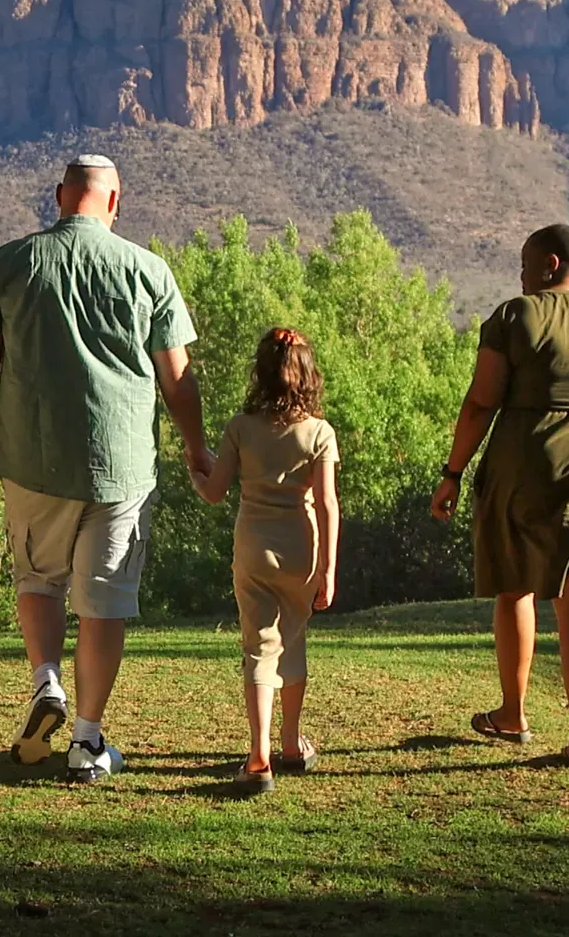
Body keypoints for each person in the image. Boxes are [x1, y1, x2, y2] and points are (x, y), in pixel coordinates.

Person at [0, 154, 212, 785]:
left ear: (60, 196)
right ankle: (87, 742)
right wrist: (197, 450)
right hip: (122, 467)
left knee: (38, 579)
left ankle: (46, 681)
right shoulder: (148, 270)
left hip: (33, 461)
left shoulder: (12, 262)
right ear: (114, 204)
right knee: (104, 602)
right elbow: (178, 377)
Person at [430, 224, 569, 769]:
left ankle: (513, 714)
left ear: (551, 265)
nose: (521, 275)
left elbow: (481, 403)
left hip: (525, 470)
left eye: (526, 264)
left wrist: (453, 472)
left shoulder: (514, 316)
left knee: (515, 587)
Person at [189, 328, 340, 795]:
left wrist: (195, 469)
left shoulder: (241, 427)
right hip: (304, 547)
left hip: (254, 546)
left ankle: (258, 758)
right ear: (308, 376)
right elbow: (329, 504)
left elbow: (215, 491)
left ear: (262, 374)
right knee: (293, 641)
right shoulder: (318, 433)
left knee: (260, 647)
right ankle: (292, 745)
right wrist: (328, 569)